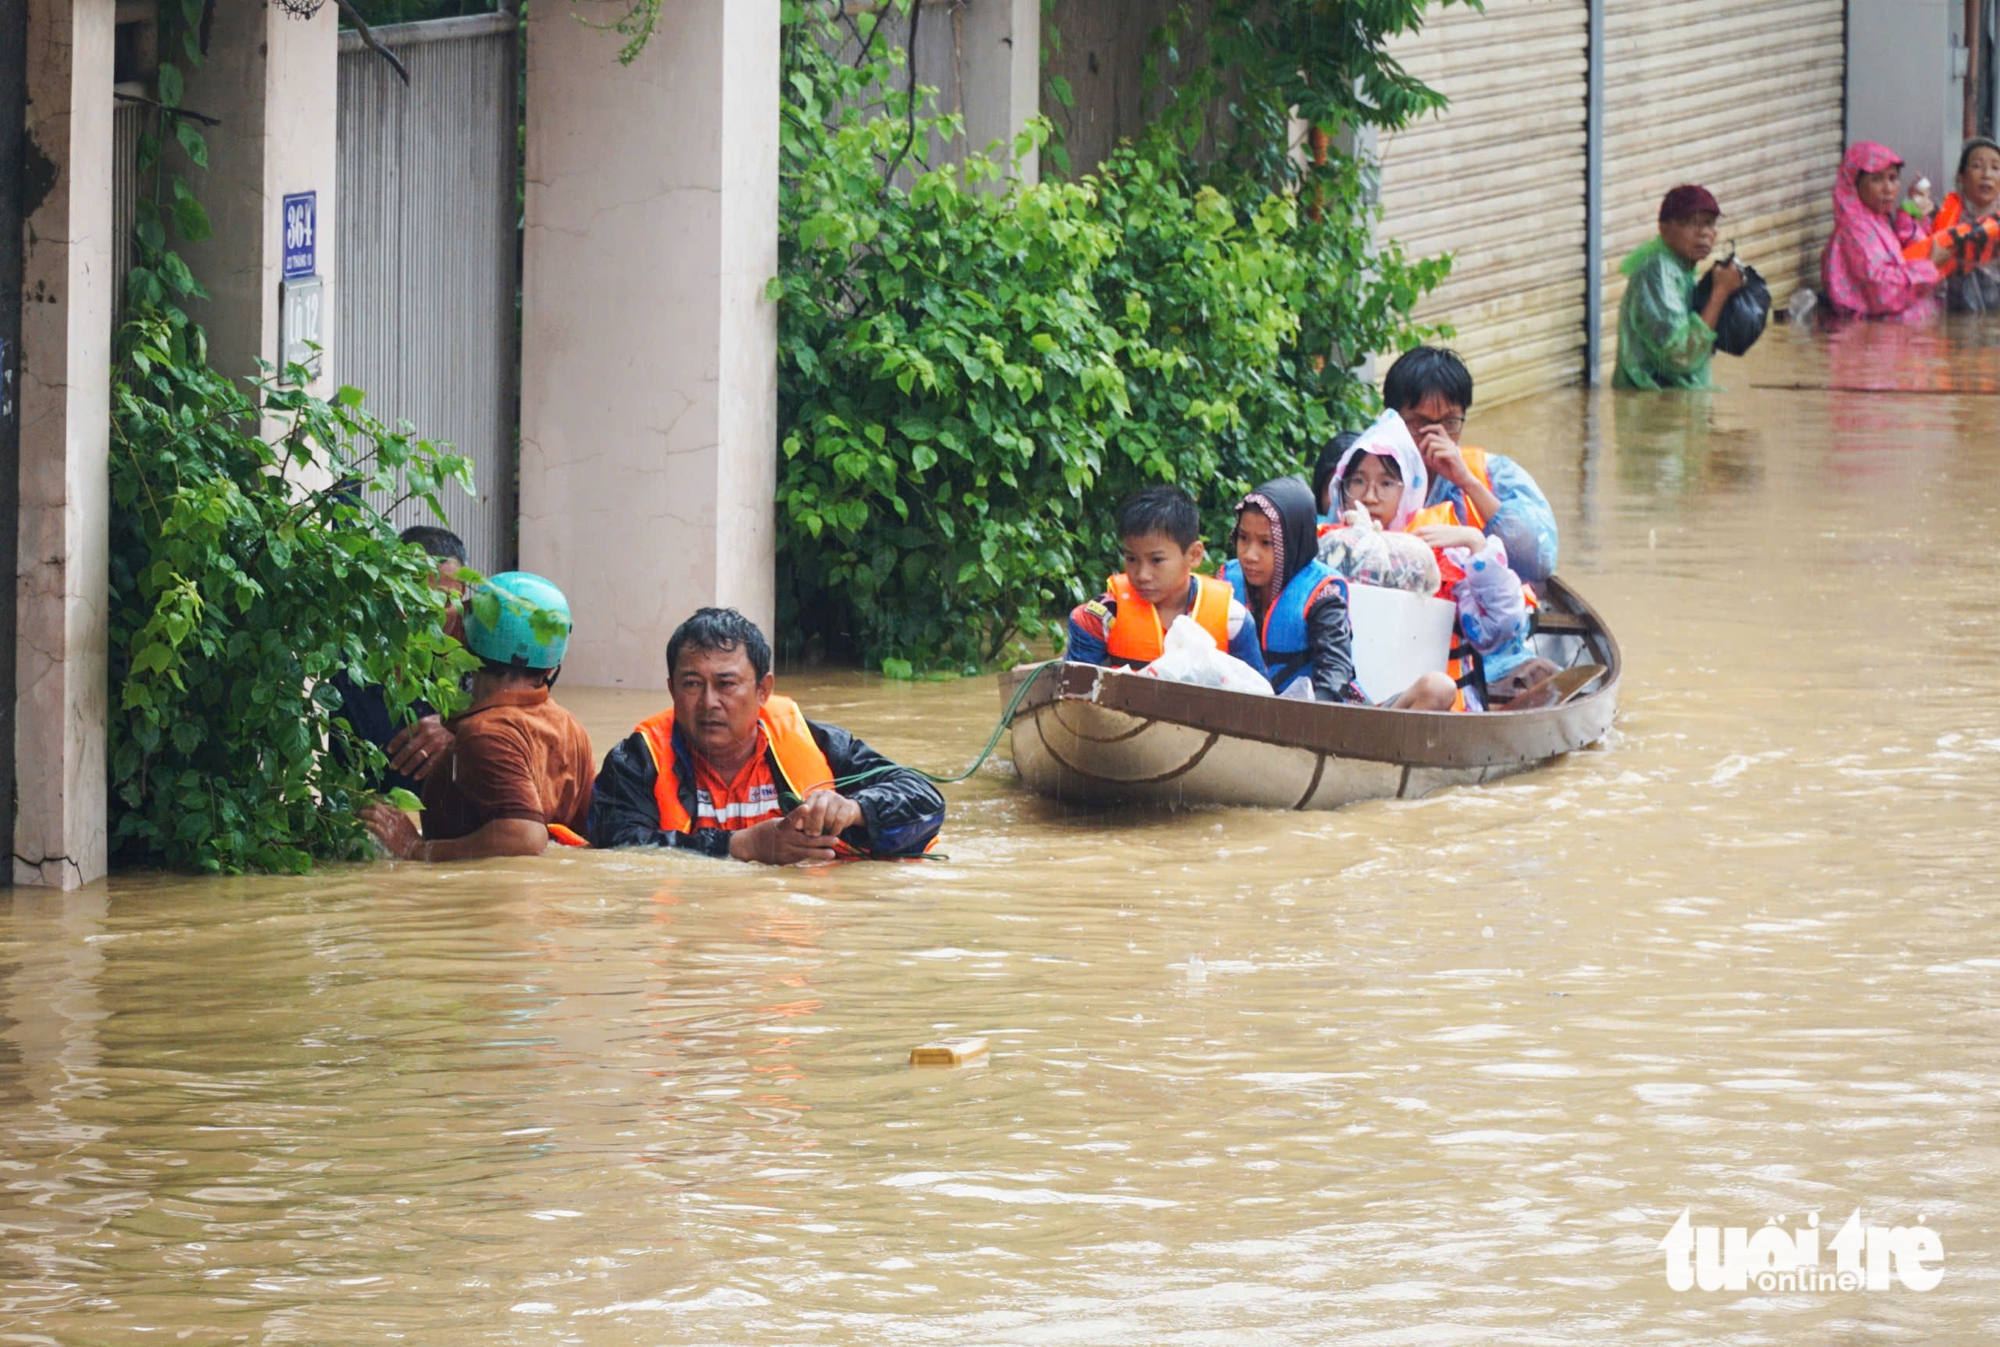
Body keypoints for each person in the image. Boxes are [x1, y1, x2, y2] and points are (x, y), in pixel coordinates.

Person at [589, 608, 945, 864]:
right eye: (692, 684)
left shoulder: (820, 744)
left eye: (726, 684)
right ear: (671, 690)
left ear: (763, 691)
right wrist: (741, 846)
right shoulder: (635, 761)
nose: (709, 702)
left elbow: (925, 801)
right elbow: (618, 849)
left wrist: (856, 809)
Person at [358, 572, 595, 861]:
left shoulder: (485, 732)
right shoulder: (571, 727)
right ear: (550, 665)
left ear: (468, 642)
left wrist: (416, 849)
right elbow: (587, 833)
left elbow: (525, 837)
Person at [1328, 437, 1554, 710]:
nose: (1370, 496)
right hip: (1352, 709)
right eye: (1358, 481)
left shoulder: (1439, 553)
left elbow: (1499, 629)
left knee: (1436, 689)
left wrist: (1476, 543)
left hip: (1442, 712)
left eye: (1386, 483)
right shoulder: (1331, 550)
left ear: (1409, 490)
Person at [1381, 346, 1560, 583]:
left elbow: (1540, 561)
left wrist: (1467, 481)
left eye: (1450, 422)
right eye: (1418, 423)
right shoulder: (1367, 469)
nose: (1436, 436)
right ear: (1393, 419)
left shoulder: (1496, 474)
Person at [329, 524, 467, 793]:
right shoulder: (346, 663)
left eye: (446, 602)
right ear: (387, 592)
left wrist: (459, 734)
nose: (433, 615)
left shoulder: (474, 658)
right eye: (419, 600)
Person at [1066, 485, 1263, 669]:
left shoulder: (1233, 620)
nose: (1142, 575)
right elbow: (1074, 694)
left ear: (1194, 555)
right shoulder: (1102, 615)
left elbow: (1257, 696)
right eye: (1131, 558)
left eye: (1157, 560)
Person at [1224, 477, 1364, 703]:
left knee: (1434, 688)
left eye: (1266, 543)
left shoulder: (1323, 594)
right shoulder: (1225, 584)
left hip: (1314, 715)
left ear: (1292, 543)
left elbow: (1334, 675)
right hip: (1241, 711)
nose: (1250, 555)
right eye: (1243, 538)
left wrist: (1298, 720)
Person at [1614, 185, 1745, 391]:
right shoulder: (1657, 271)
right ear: (1663, 229)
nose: (1702, 233)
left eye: (1709, 223)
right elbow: (1681, 356)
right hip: (1653, 406)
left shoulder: (1682, 269)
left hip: (1673, 403)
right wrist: (1720, 292)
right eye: (1689, 223)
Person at [1821, 141, 1947, 320]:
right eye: (1877, 179)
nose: (1888, 189)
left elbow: (1903, 254)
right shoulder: (1855, 231)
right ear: (1854, 184)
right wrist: (1929, 267)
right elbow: (1881, 290)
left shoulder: (1877, 220)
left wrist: (1909, 212)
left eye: (1893, 178)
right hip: (1872, 337)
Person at [1910, 137, 2000, 312]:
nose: (1987, 175)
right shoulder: (1938, 213)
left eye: (1995, 168)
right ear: (1962, 177)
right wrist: (1914, 213)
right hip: (1951, 311)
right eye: (1977, 166)